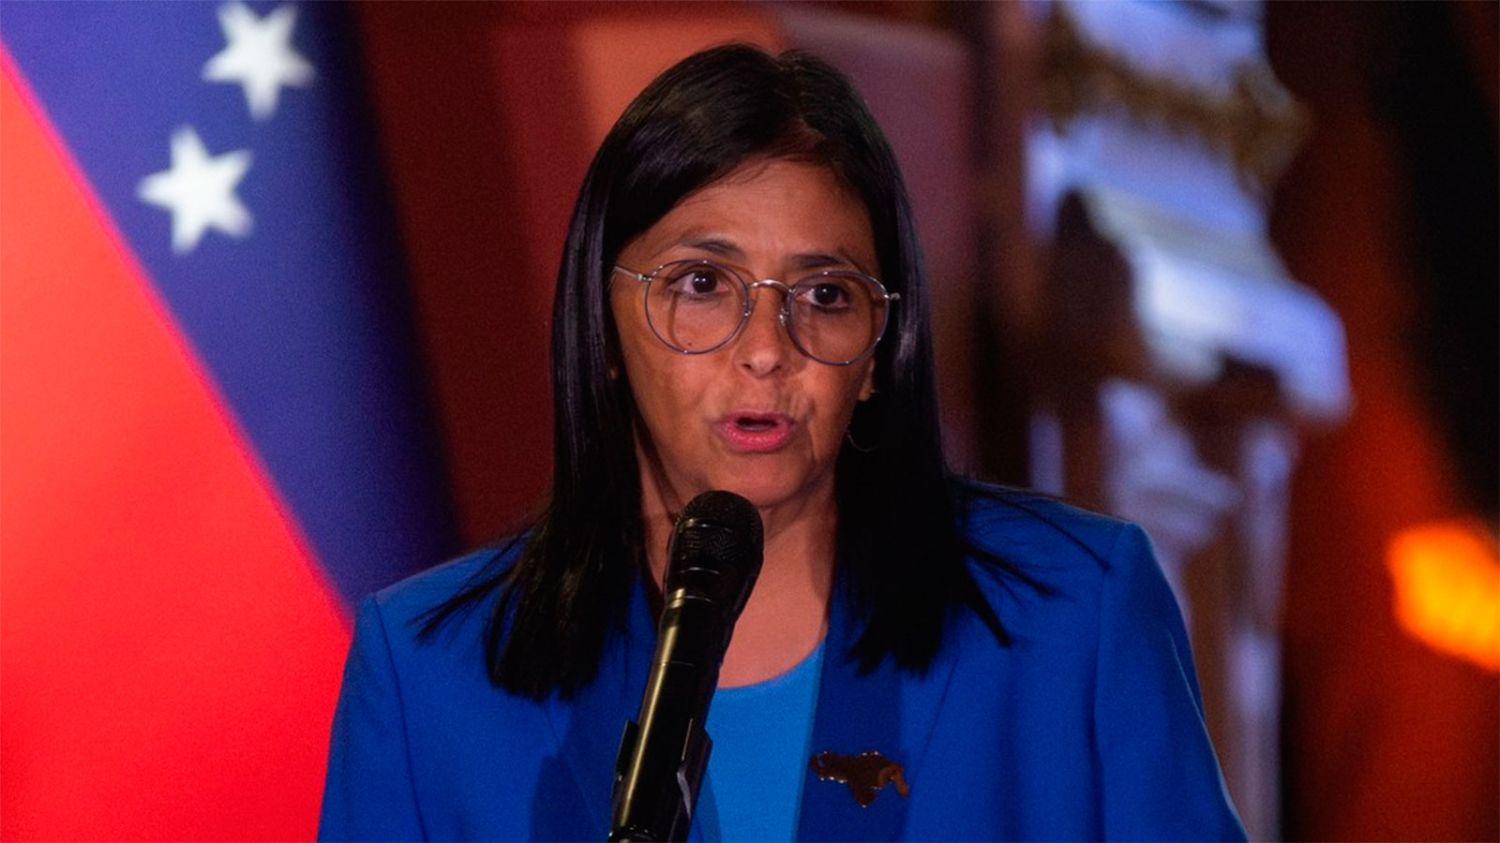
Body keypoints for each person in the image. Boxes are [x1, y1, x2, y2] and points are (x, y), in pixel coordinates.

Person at [319, 44, 1245, 842]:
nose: (766, 349)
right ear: (603, 325)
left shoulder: (1075, 614)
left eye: (825, 295)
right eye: (701, 284)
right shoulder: (430, 676)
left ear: (880, 350)